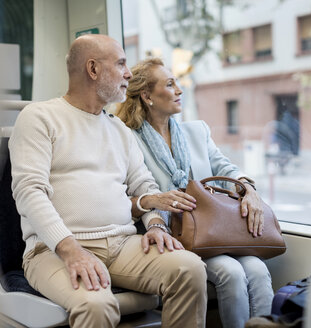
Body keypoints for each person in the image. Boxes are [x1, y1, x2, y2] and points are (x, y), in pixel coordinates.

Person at [9, 35, 207, 328]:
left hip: (123, 244)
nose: (128, 73)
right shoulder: (39, 117)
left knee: (190, 270)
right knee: (96, 305)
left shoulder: (119, 130)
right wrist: (71, 250)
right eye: (121, 64)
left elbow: (146, 188)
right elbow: (29, 192)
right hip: (54, 250)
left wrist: (154, 223)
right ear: (93, 69)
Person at [117, 57, 274, 328]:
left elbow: (226, 169)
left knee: (258, 270)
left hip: (211, 230)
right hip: (169, 234)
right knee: (231, 272)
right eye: (170, 84)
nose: (179, 90)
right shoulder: (128, 139)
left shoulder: (197, 131)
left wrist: (249, 190)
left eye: (177, 83)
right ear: (147, 96)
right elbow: (130, 194)